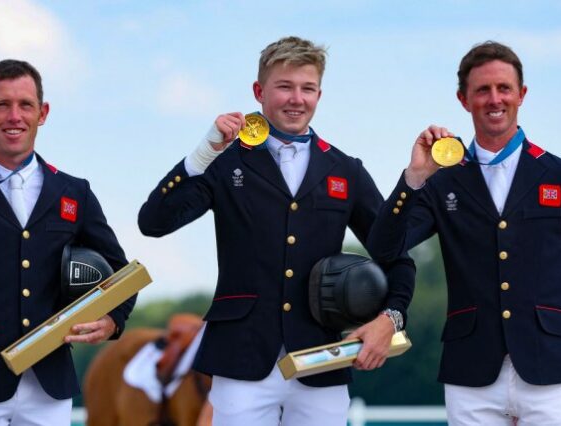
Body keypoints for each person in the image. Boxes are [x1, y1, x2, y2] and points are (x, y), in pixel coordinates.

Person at [139, 36, 414, 425]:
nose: (296, 99)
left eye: (307, 88)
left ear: (320, 94)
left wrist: (392, 318)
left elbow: (395, 254)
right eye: (284, 86)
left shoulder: (345, 170)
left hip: (323, 360)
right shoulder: (223, 162)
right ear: (259, 91)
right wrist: (203, 153)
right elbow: (153, 222)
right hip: (241, 359)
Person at [0, 59, 136, 425]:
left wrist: (113, 320)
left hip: (50, 381)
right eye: (2, 105)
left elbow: (121, 275)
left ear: (43, 113)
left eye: (25, 105)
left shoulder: (74, 193)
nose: (14, 116)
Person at [367, 41, 561, 425]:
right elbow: (384, 247)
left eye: (504, 88)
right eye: (482, 90)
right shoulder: (442, 182)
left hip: (551, 367)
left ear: (521, 95)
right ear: (463, 99)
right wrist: (413, 179)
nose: (495, 99)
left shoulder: (557, 175)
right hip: (471, 370)